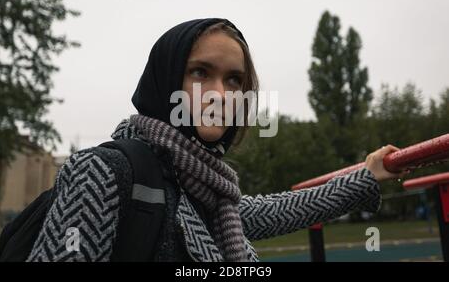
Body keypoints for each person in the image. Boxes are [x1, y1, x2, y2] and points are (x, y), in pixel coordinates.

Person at [27, 18, 409, 262]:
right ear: (166, 81)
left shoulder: (207, 191)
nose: (220, 95)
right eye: (199, 73)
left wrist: (367, 176)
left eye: (233, 80)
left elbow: (275, 210)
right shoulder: (105, 171)